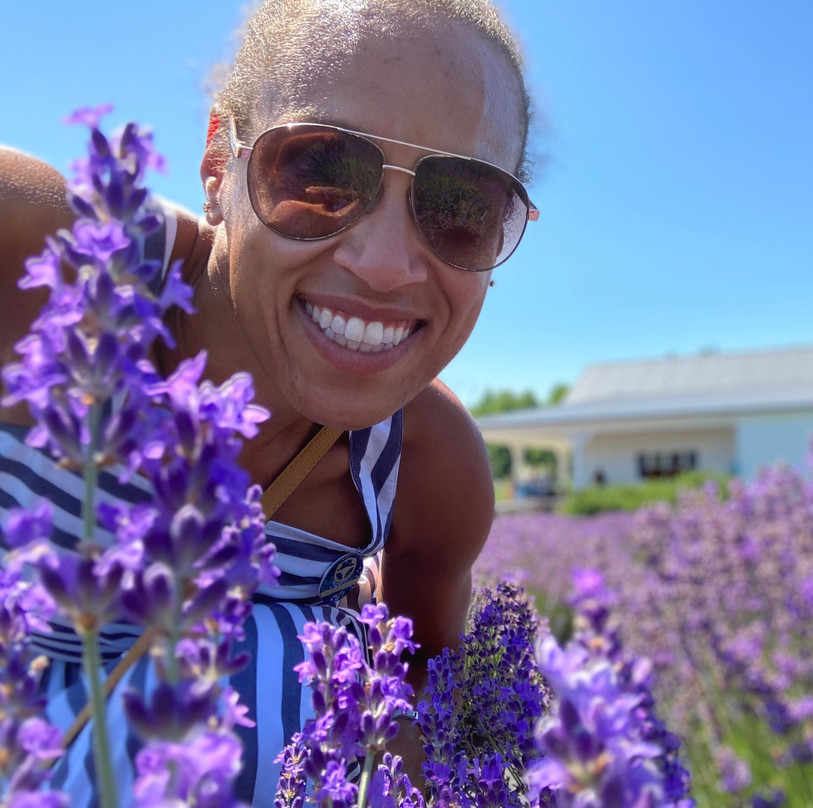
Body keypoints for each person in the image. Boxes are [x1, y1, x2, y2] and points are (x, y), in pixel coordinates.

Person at [0, 0, 538, 802]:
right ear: (219, 163)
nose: (386, 265)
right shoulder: (44, 255)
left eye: (462, 208)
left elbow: (423, 700)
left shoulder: (429, 464)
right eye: (320, 171)